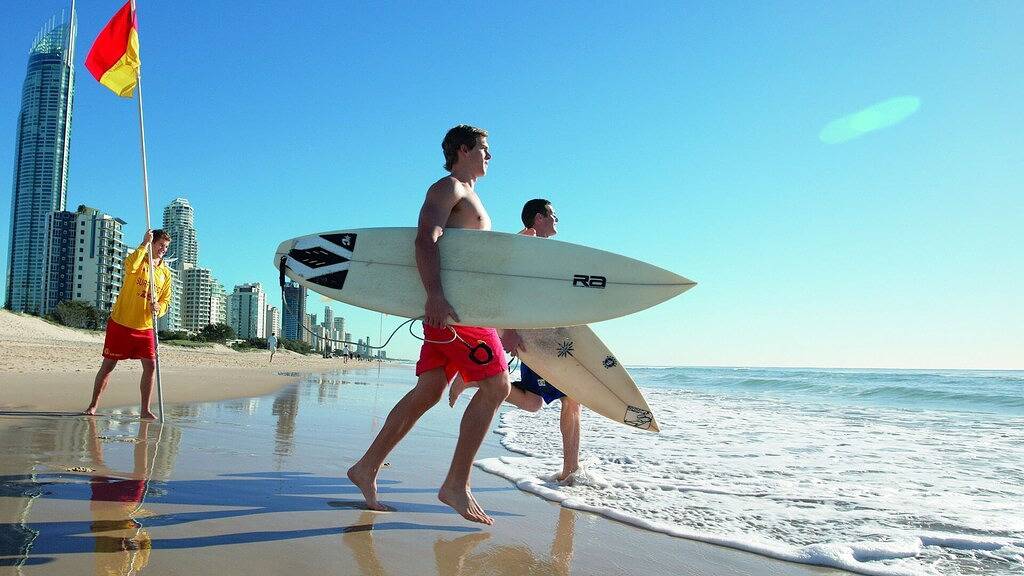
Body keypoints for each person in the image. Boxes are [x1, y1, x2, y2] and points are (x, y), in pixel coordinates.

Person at [348, 125, 511, 525]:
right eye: (484, 149)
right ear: (462, 149)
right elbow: (425, 238)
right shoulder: (449, 188)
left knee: (428, 391)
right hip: (455, 312)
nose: (490, 156)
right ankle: (456, 483)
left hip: (448, 312)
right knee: (498, 386)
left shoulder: (471, 196)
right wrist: (435, 295)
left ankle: (366, 468)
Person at [449, 200, 583, 482]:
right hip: (535, 337)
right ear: (539, 218)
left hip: (546, 335)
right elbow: (502, 286)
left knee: (536, 402)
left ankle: (476, 379)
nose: (557, 218)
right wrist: (506, 329)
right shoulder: (526, 242)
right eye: (553, 214)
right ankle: (571, 471)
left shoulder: (543, 250)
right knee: (571, 399)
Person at [85, 229, 172, 419]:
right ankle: (93, 405)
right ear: (153, 243)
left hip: (146, 326)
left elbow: (166, 300)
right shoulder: (140, 259)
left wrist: (159, 307)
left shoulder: (165, 273)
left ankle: (144, 409)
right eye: (160, 245)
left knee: (150, 367)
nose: (163, 250)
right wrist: (144, 244)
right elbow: (129, 266)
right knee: (108, 365)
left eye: (166, 247)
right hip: (121, 322)